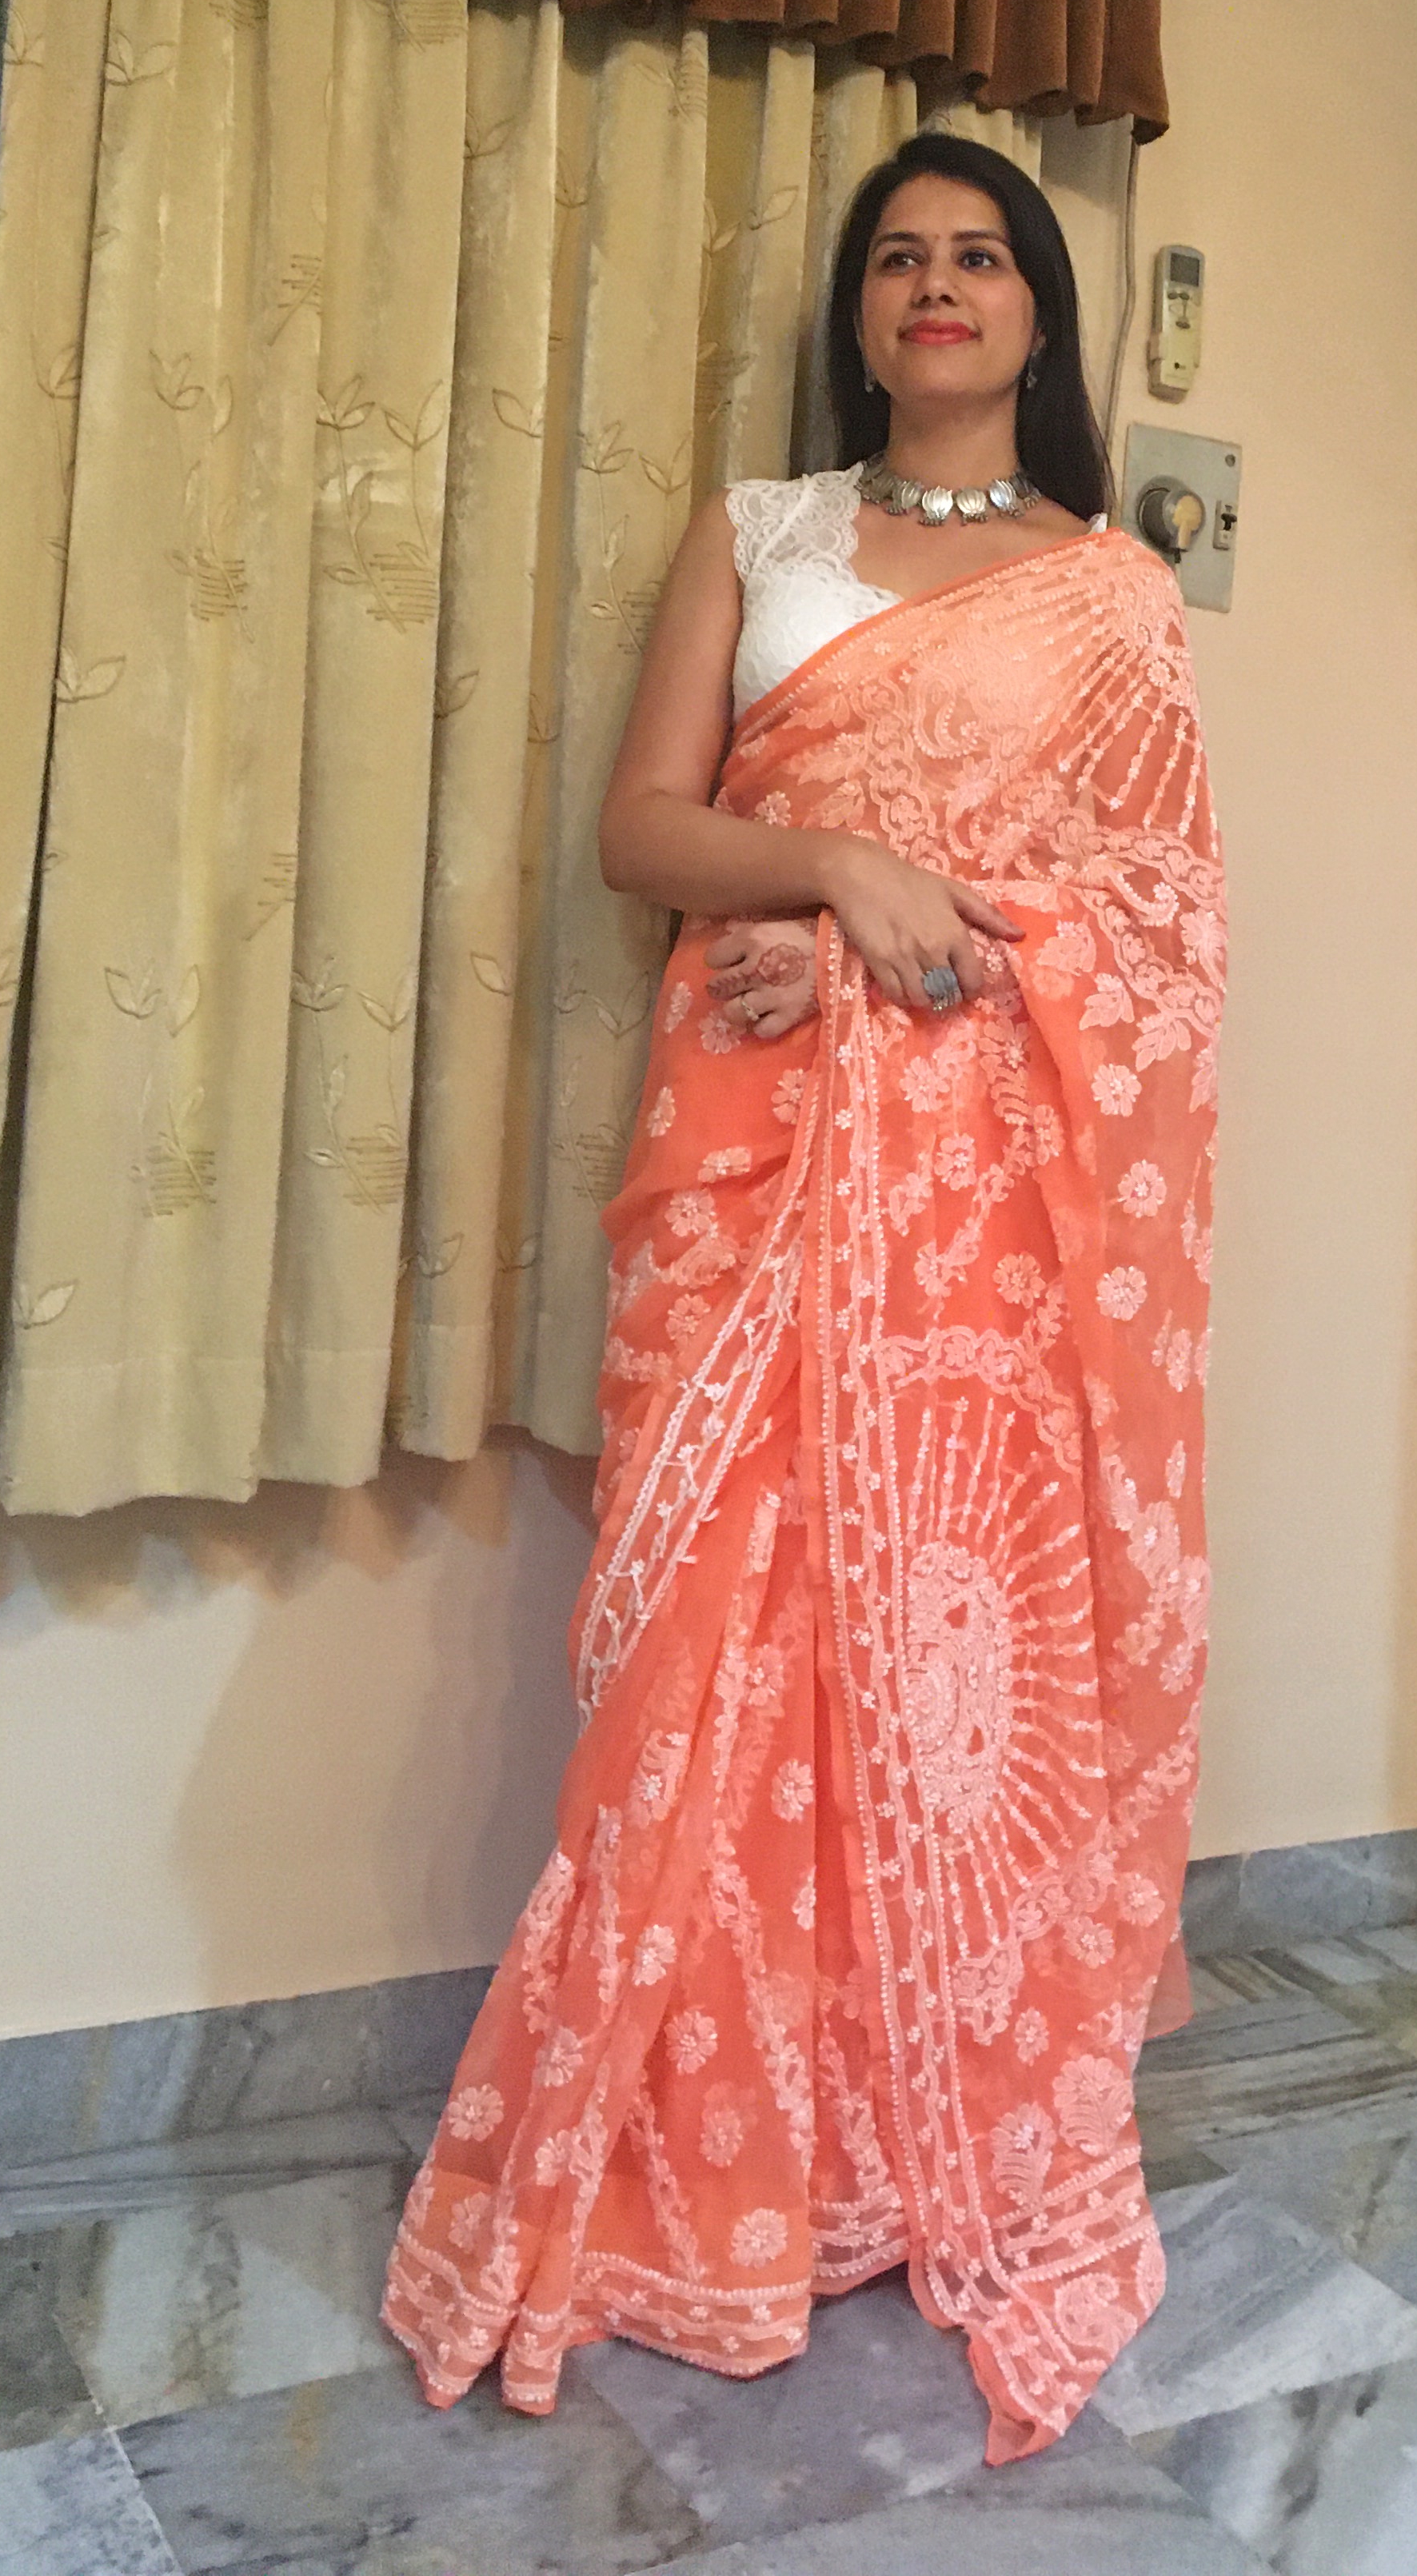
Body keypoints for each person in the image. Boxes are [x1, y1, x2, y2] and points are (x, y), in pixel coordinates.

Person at [381, 134, 1223, 2463]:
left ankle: (904, 2133)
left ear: (1040, 317)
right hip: (746, 1167)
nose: (940, 285)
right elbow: (644, 833)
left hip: (981, 1237)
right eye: (900, 259)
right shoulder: (757, 537)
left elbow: (1155, 941)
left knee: (936, 1649)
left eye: (983, 257)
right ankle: (699, 2153)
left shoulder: (1113, 598)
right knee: (706, 1637)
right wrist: (836, 866)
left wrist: (897, 949)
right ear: (860, 315)